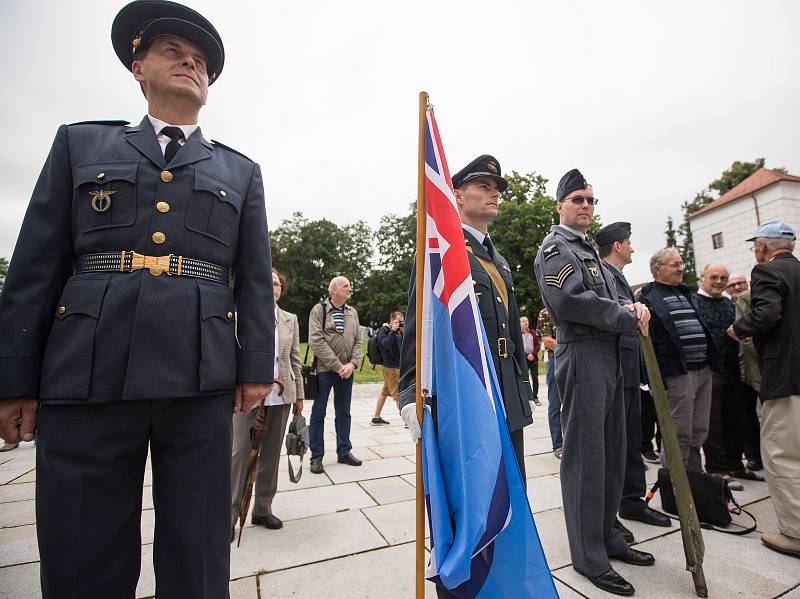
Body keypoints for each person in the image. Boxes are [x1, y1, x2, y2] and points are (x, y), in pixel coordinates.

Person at [0, 2, 275, 596]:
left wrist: (255, 368)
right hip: (89, 367)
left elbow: (253, 277)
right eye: (175, 52)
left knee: (198, 547)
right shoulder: (81, 146)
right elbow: (34, 268)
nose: (191, 64)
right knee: (82, 545)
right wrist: (15, 379)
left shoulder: (240, 171)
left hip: (198, 375)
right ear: (138, 67)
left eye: (201, 61)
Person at [398, 154, 533, 599]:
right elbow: (422, 328)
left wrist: (522, 389)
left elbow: (511, 333)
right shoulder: (441, 250)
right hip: (466, 395)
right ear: (455, 193)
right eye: (483, 184)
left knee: (507, 504)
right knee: (466, 506)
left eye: (498, 187)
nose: (495, 192)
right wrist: (408, 391)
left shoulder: (500, 260)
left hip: (505, 396)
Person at [535, 169, 653, 596]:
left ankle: (609, 537)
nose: (586, 206)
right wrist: (624, 315)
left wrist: (630, 307)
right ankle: (588, 556)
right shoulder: (556, 248)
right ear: (560, 206)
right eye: (578, 199)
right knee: (586, 460)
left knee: (612, 454)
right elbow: (570, 301)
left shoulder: (587, 249)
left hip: (610, 357)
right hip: (583, 356)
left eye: (590, 200)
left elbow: (608, 298)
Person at [730, 220, 800, 557]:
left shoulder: (767, 273)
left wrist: (739, 327)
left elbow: (767, 313)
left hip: (785, 378)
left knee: (781, 454)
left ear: (764, 246)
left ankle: (795, 532)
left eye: (755, 244)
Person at [596, 222, 670, 530]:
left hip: (629, 369)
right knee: (619, 444)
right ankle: (619, 507)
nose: (632, 248)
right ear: (616, 246)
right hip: (617, 368)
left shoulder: (618, 277)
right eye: (628, 242)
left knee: (631, 440)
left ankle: (632, 501)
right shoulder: (604, 275)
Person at [231, 269, 303, 534]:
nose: (273, 288)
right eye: (268, 283)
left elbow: (294, 358)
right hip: (247, 396)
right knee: (240, 452)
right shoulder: (242, 315)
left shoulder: (289, 319)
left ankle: (262, 509)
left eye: (277, 284)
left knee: (271, 454)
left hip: (281, 393)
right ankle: (229, 514)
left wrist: (299, 396)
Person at [636, 248, 720, 475]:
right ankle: (675, 486)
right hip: (678, 373)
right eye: (674, 264)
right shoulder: (648, 297)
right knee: (679, 432)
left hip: (702, 369)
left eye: (681, 263)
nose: (680, 268)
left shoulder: (685, 293)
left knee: (699, 430)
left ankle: (695, 479)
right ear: (657, 269)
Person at [695, 264, 762, 481]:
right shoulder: (694, 303)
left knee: (736, 419)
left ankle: (735, 466)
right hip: (709, 371)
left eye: (723, 277)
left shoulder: (728, 303)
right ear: (702, 279)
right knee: (713, 423)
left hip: (733, 369)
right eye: (713, 277)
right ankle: (717, 469)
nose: (719, 281)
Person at [308, 276, 362, 474]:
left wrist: (352, 364)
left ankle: (344, 451)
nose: (350, 288)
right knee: (318, 413)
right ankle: (316, 456)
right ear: (334, 291)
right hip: (325, 370)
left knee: (344, 411)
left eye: (349, 285)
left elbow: (358, 341)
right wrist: (338, 365)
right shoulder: (319, 310)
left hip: (346, 371)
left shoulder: (352, 313)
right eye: (346, 286)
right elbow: (316, 341)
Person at [732, 279, 763, 472]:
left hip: (758, 369)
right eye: (732, 284)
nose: (737, 287)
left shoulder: (752, 301)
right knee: (748, 416)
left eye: (740, 283)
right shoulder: (731, 305)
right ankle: (753, 455)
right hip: (740, 372)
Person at [536, 307, 563, 458]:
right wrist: (569, 346)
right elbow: (547, 341)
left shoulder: (570, 307)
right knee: (555, 404)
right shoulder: (545, 313)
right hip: (557, 360)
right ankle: (558, 444)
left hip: (576, 360)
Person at [371, 311, 404, 426]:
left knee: (384, 392)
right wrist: (393, 331)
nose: (400, 324)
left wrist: (401, 332)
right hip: (390, 367)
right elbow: (385, 345)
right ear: (391, 321)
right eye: (397, 322)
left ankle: (376, 417)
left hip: (396, 366)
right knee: (398, 393)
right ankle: (406, 420)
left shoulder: (398, 332)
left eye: (401, 322)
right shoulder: (384, 331)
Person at [520, 316, 542, 406]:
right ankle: (526, 397)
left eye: (527, 321)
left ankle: (535, 397)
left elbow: (537, 345)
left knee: (535, 378)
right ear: (519, 324)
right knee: (524, 378)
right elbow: (519, 347)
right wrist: (526, 355)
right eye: (523, 321)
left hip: (533, 359)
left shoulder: (533, 333)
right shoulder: (518, 335)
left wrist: (533, 354)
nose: (526, 323)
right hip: (524, 360)